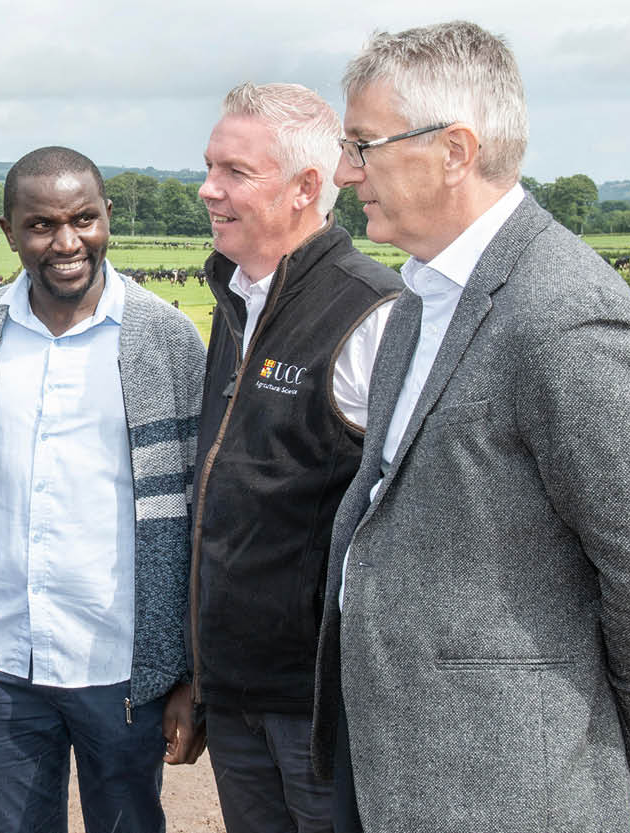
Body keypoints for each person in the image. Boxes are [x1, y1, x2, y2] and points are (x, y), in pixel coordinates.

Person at [310, 21, 630, 833]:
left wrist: (608, 742)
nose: (343, 171)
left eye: (362, 145)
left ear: (454, 150)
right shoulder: (415, 304)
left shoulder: (567, 319)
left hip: (508, 789)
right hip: (391, 757)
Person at [0, 146, 206, 833]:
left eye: (83, 218)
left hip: (122, 663)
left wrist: (193, 672)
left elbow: (202, 519)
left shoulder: (165, 339)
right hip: (0, 657)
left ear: (108, 216)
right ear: (8, 230)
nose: (67, 241)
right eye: (41, 224)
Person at [189, 82, 401, 833]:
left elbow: (412, 519)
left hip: (323, 708)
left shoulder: (371, 312)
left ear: (307, 187)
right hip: (237, 686)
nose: (207, 188)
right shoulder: (235, 299)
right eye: (209, 165)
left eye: (234, 172)